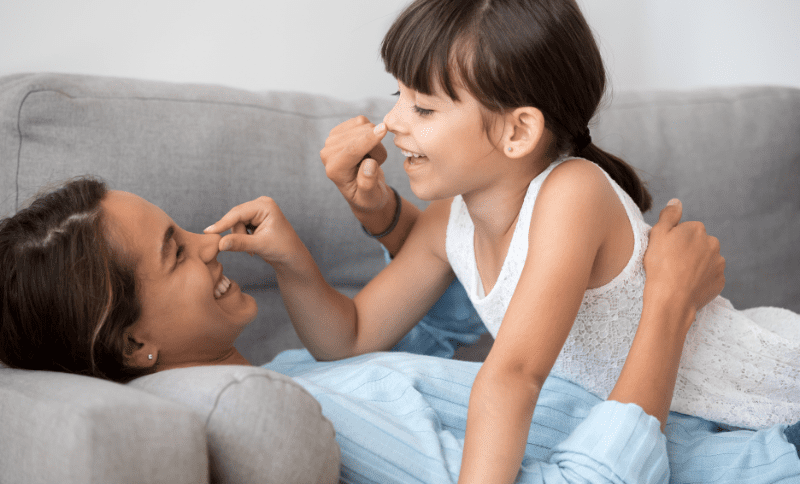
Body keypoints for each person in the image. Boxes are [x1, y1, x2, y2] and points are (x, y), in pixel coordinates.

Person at [295, 0, 800, 482]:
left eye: (422, 107)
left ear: (518, 131)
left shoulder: (573, 193)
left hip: (774, 397)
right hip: (683, 425)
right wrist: (286, 258)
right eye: (398, 95)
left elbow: (514, 376)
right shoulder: (449, 220)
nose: (392, 122)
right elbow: (351, 339)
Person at [2, 177, 798, 483]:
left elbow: (438, 330)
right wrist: (664, 303)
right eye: (177, 250)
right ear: (135, 345)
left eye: (184, 225)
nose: (211, 241)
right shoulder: (315, 418)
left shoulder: (291, 371)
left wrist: (395, 229)